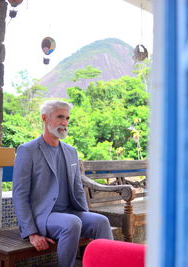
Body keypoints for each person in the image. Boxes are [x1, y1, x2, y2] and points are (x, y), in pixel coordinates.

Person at [13, 100, 113, 267]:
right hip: (43, 216)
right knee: (72, 223)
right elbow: (19, 194)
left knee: (100, 221)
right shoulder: (27, 150)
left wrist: (85, 221)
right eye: (60, 117)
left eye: (67, 118)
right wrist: (32, 234)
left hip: (71, 212)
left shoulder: (71, 151)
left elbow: (77, 189)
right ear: (44, 118)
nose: (65, 123)